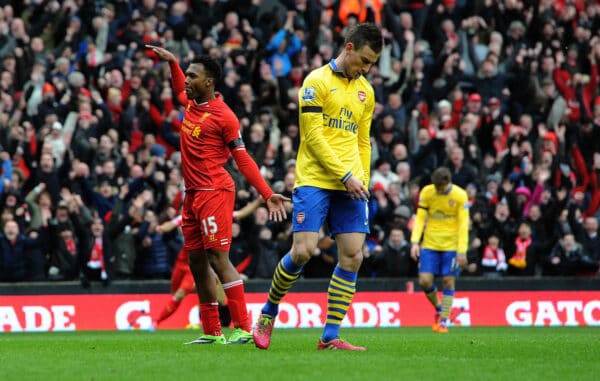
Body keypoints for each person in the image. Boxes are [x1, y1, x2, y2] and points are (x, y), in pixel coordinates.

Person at [252, 23, 383, 351]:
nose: (367, 68)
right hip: (315, 178)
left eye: (372, 63)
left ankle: (330, 336)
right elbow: (313, 137)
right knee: (304, 250)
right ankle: (268, 313)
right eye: (365, 60)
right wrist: (345, 176)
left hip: (351, 184)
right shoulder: (315, 82)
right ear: (349, 48)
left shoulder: (366, 90)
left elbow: (363, 140)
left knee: (353, 255)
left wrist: (362, 179)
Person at [146, 45, 289, 345]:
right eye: (185, 75)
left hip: (215, 190)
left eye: (192, 76)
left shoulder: (224, 116)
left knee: (217, 258)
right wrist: (173, 61)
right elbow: (176, 87)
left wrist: (266, 194)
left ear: (208, 81)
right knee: (197, 262)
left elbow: (243, 158)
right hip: (192, 194)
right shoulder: (192, 104)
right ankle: (211, 332)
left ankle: (242, 326)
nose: (186, 80)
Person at [150, 198, 264, 329]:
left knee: (182, 294)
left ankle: (156, 323)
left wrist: (257, 202)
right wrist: (161, 228)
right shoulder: (190, 216)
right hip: (181, 262)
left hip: (196, 265)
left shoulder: (217, 217)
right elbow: (172, 224)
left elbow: (240, 214)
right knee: (175, 295)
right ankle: (206, 322)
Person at [410, 167, 470, 333]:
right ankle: (439, 308)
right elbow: (420, 218)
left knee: (448, 281)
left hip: (452, 245)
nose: (438, 191)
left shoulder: (460, 195)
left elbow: (464, 225)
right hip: (430, 243)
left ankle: (443, 321)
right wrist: (415, 242)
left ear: (448, 182)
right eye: (436, 187)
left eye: (441, 188)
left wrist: (462, 251)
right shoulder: (427, 192)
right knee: (424, 281)